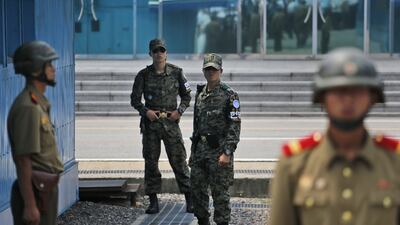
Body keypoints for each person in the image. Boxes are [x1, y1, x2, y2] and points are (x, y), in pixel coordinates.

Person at [269, 48, 400, 225]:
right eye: (338, 91)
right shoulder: (294, 164)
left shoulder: (394, 162)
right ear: (322, 98)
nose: (347, 100)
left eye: (357, 91)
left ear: (373, 98)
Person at [130, 38, 193, 214]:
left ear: (166, 53)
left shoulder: (177, 72)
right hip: (151, 124)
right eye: (156, 51)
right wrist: (145, 111)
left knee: (179, 161)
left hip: (171, 123)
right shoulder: (143, 75)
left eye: (162, 50)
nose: (159, 54)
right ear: (150, 53)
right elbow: (134, 99)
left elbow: (187, 96)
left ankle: (190, 199)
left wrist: (179, 111)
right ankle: (153, 201)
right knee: (151, 163)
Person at [8, 41, 64, 225]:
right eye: (49, 65)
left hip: (44, 188)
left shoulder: (38, 103)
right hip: (35, 189)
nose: (53, 69)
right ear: (35, 70)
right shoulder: (28, 107)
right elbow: (23, 159)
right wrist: (30, 205)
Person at [190, 53, 241, 225]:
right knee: (197, 191)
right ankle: (202, 220)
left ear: (221, 70)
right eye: (208, 69)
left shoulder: (231, 96)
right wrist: (193, 152)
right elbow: (196, 126)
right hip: (200, 152)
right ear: (203, 71)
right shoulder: (200, 94)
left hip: (219, 152)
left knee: (220, 194)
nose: (211, 72)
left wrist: (227, 152)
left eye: (214, 69)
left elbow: (235, 126)